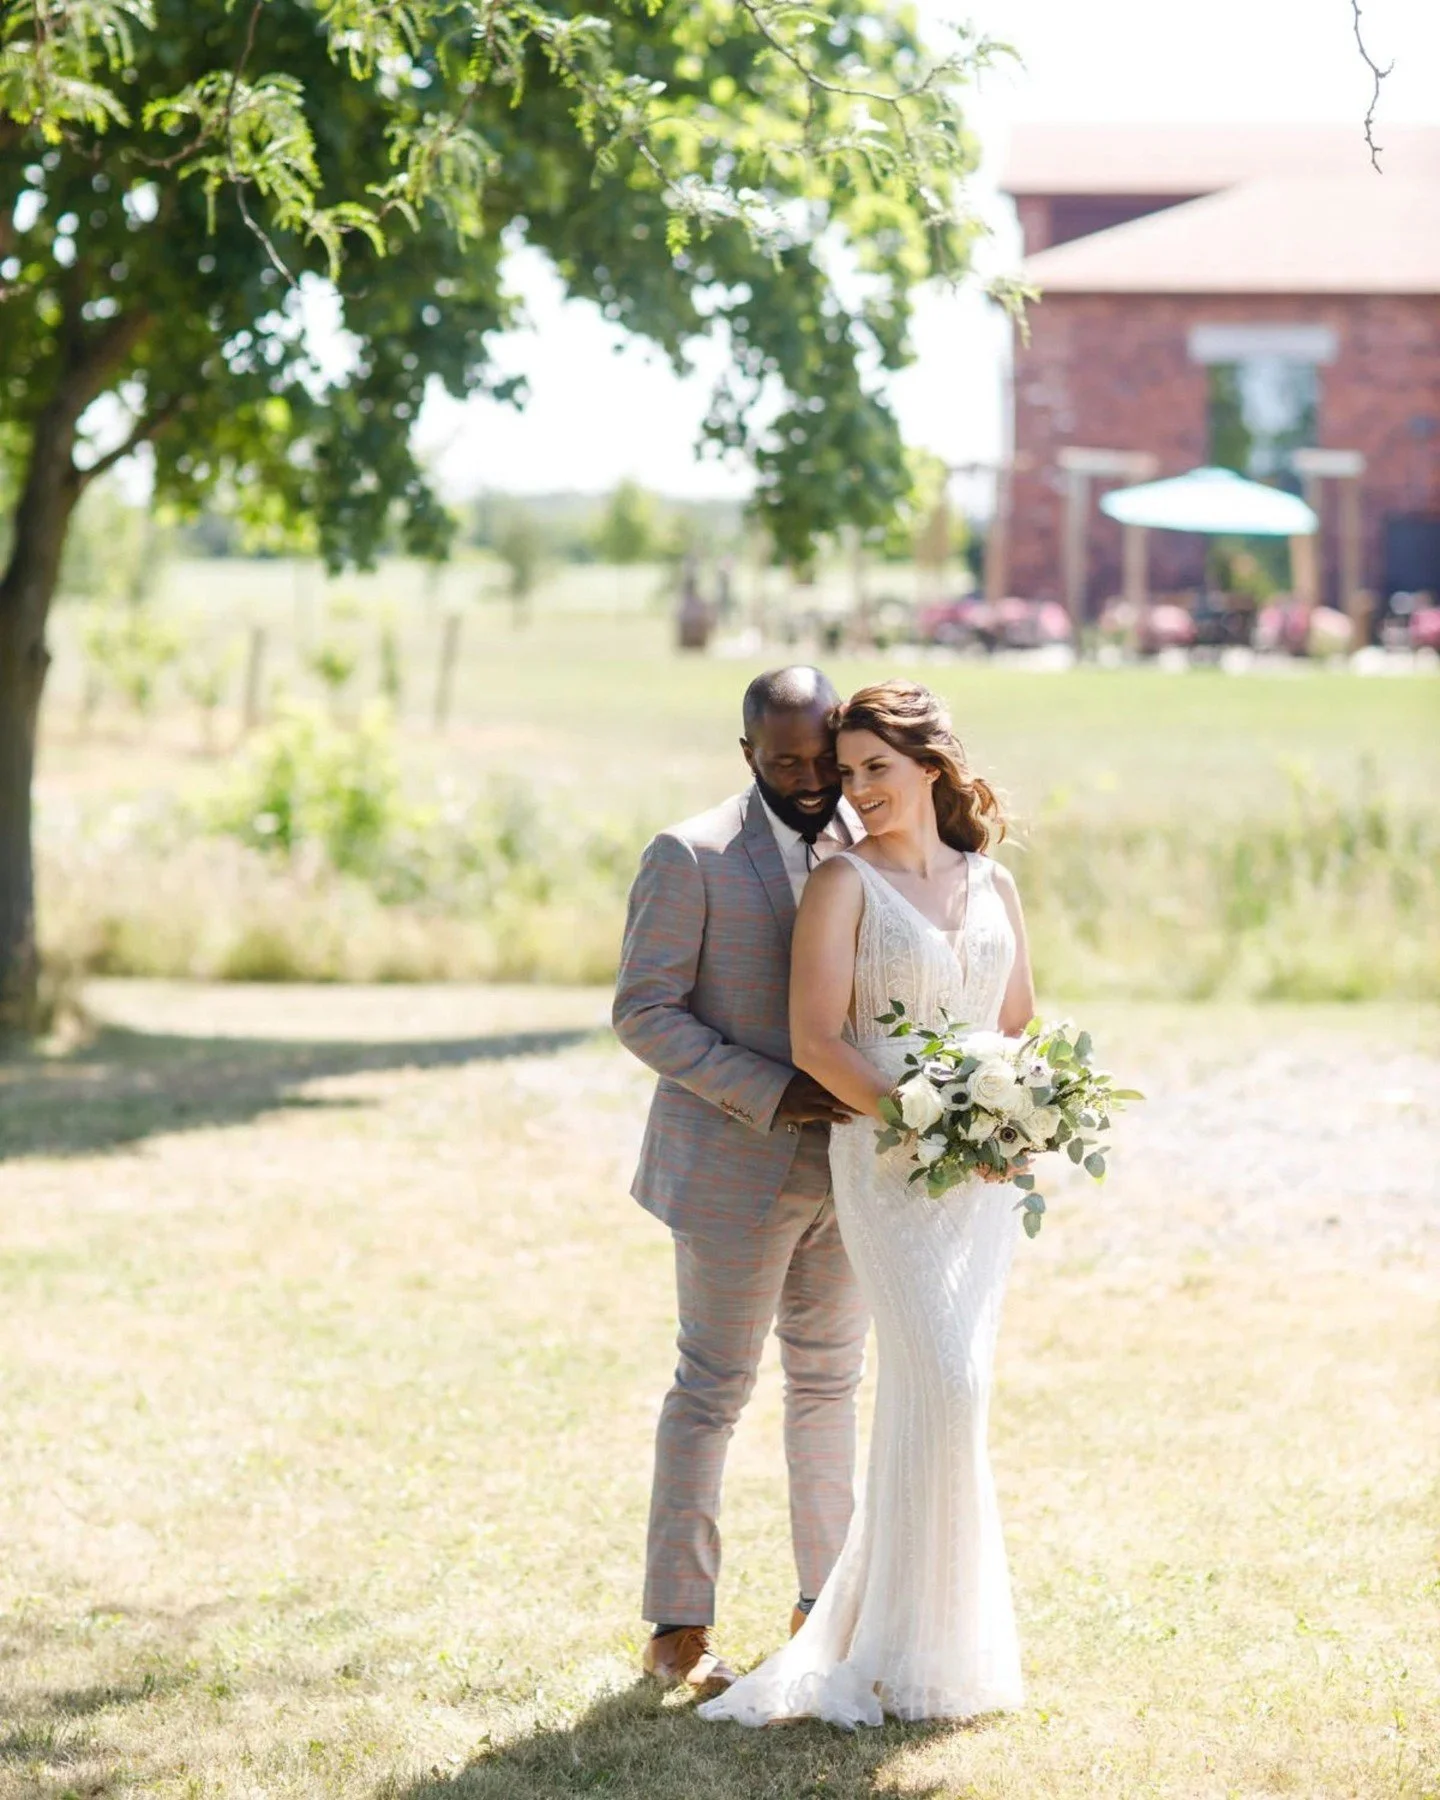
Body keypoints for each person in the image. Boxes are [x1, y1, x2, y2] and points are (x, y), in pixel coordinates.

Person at [700, 678, 1037, 1729]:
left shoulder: (995, 885)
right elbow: (817, 1043)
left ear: (931, 767)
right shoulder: (842, 883)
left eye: (875, 770)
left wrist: (1015, 1121)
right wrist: (924, 1122)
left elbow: (1019, 1025)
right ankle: (882, 1649)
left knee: (959, 1392)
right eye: (847, 775)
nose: (856, 792)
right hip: (888, 1161)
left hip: (979, 1179)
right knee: (942, 1377)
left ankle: (934, 1651)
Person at [612, 665, 871, 1697]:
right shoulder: (690, 853)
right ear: (747, 754)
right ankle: (679, 1629)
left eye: (823, 759)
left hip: (853, 1175)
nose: (809, 781)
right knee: (711, 1392)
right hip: (733, 1164)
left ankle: (825, 1610)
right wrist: (774, 1093)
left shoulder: (872, 841)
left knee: (829, 1388)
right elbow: (645, 1012)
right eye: (785, 762)